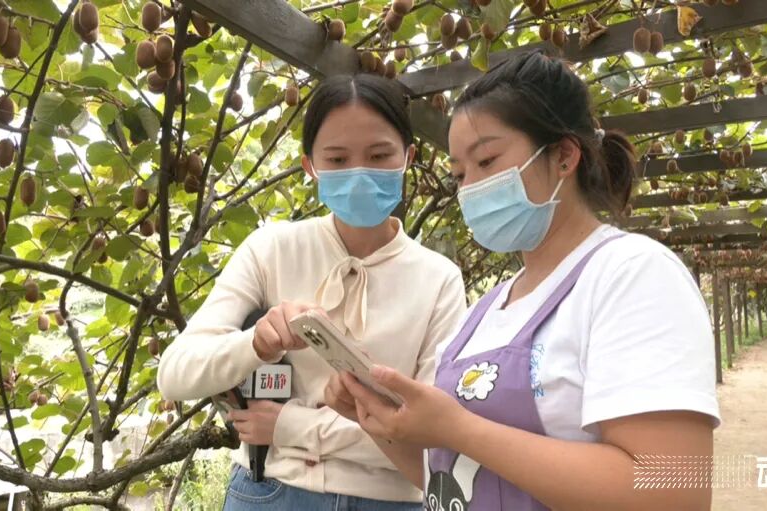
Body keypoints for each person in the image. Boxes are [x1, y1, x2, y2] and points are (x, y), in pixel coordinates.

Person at [325, 51, 722, 511]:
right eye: (459, 175)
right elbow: (450, 476)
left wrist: (458, 427)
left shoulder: (631, 274)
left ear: (564, 155)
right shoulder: (484, 311)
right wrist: (380, 423)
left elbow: (673, 491)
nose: (470, 187)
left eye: (486, 161)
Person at [156, 74, 467, 510]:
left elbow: (433, 439)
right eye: (337, 159)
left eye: (379, 155)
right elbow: (175, 374)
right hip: (267, 495)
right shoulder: (271, 250)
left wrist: (289, 426)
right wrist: (255, 344)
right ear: (310, 167)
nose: (359, 174)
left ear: (408, 157)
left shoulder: (439, 280)